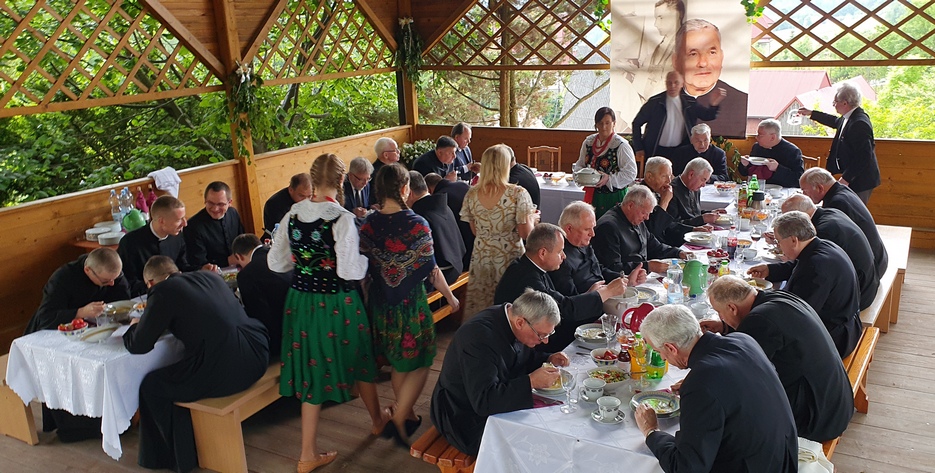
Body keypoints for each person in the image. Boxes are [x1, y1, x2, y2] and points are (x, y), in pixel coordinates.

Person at [268, 154, 388, 472]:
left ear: (311, 179)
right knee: (360, 357)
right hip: (336, 302)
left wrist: (304, 264)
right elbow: (349, 271)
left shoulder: (293, 213)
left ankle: (308, 452)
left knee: (312, 367)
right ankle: (377, 420)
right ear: (341, 180)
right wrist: (367, 261)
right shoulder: (341, 218)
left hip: (300, 301)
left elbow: (275, 263)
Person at [123, 256, 269, 473]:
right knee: (177, 371)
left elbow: (139, 345)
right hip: (257, 351)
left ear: (151, 283)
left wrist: (134, 326)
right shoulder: (209, 277)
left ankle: (174, 457)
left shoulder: (163, 291)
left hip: (229, 368)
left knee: (152, 386)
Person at [359, 163, 459, 447]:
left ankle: (407, 412)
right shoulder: (417, 224)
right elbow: (432, 270)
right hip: (411, 306)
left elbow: (365, 272)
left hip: (380, 306)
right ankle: (402, 414)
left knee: (398, 361)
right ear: (405, 189)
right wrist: (450, 298)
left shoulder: (368, 224)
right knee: (421, 360)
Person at [634, 305, 798, 472]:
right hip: (783, 457)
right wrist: (702, 384)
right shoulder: (743, 340)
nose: (662, 358)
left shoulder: (702, 383)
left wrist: (651, 432)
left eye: (659, 351)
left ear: (671, 348)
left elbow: (686, 468)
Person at [704, 276, 854, 442]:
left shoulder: (759, 320)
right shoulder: (776, 298)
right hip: (836, 401)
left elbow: (738, 371)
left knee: (734, 411)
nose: (720, 317)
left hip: (817, 418)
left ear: (732, 308)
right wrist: (724, 327)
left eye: (719, 313)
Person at [431, 289, 568, 456]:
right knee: (541, 445)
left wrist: (548, 358)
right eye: (541, 335)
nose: (545, 341)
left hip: (490, 403)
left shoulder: (512, 318)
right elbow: (484, 401)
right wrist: (531, 382)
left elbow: (521, 358)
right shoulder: (478, 338)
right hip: (463, 417)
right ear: (520, 323)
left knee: (558, 426)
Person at [24, 248, 129, 442]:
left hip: (94, 332)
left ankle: (114, 417)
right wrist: (80, 312)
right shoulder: (63, 278)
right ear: (88, 271)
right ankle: (77, 427)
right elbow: (46, 317)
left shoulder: (112, 274)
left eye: (115, 278)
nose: (112, 284)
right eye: (106, 281)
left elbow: (122, 297)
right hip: (56, 334)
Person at [494, 223, 626, 351]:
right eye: (560, 251)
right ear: (543, 253)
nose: (564, 256)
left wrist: (590, 294)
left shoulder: (532, 267)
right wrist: (607, 291)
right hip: (524, 347)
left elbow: (560, 302)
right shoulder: (527, 278)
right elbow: (562, 310)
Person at [747, 211, 862, 357]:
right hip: (844, 325)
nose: (779, 246)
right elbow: (798, 265)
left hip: (835, 339)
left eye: (779, 241)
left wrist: (756, 299)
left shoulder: (816, 268)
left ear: (793, 240)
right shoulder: (822, 246)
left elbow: (795, 314)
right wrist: (770, 270)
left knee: (759, 347)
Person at [461, 144, 538, 318]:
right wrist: (532, 219)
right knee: (511, 307)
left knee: (483, 305)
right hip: (508, 256)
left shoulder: (472, 193)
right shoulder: (517, 193)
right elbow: (526, 234)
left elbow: (475, 230)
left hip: (481, 256)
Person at [781, 194, 879, 311]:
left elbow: (802, 308)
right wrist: (771, 270)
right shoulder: (828, 214)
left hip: (860, 295)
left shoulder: (825, 233)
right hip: (867, 281)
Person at [798, 82, 880, 203]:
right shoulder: (849, 116)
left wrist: (846, 178)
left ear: (845, 103)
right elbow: (835, 121)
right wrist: (812, 113)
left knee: (853, 209)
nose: (833, 105)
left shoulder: (859, 123)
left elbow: (864, 156)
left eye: (835, 102)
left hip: (860, 179)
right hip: (852, 175)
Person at [800, 167, 888, 278]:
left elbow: (827, 244)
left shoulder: (837, 203)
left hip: (872, 268)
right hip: (879, 257)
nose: (804, 195)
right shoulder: (841, 190)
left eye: (804, 191)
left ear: (819, 188)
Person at [549, 201, 646, 296]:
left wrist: (625, 279)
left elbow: (598, 269)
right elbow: (568, 301)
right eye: (587, 229)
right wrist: (591, 295)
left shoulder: (583, 243)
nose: (593, 234)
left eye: (593, 228)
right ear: (569, 229)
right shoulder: (559, 257)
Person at [673, 19, 748, 137]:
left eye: (712, 53)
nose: (703, 63)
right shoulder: (666, 100)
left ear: (721, 57)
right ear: (676, 61)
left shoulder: (741, 101)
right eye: (693, 54)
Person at [118, 195, 205, 296]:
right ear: (161, 221)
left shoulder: (177, 236)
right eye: (179, 220)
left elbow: (182, 267)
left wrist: (201, 270)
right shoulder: (130, 243)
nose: (185, 224)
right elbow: (128, 283)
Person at [593, 185, 687, 275]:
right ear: (630, 206)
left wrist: (678, 252)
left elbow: (655, 246)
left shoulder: (635, 218)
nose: (647, 218)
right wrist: (647, 266)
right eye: (644, 213)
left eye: (649, 213)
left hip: (641, 277)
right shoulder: (608, 227)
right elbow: (612, 268)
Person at [632, 71, 720, 161]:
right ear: (666, 83)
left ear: (682, 84)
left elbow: (707, 115)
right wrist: (639, 147)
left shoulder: (690, 102)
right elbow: (636, 123)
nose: (672, 86)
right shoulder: (654, 102)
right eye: (669, 83)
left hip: (681, 151)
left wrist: (714, 104)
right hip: (655, 150)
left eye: (676, 82)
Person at [574, 107, 638, 218]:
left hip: (614, 197)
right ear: (596, 124)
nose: (604, 127)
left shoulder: (621, 145)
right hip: (593, 196)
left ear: (614, 123)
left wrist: (609, 179)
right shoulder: (588, 142)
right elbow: (580, 164)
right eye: (600, 123)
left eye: (607, 123)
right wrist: (580, 175)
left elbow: (631, 173)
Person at [231, 233, 290, 352]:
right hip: (299, 319)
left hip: (280, 336)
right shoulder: (280, 255)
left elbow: (256, 313)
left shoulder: (247, 274)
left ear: (239, 256)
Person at [407, 171, 466, 285]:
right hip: (457, 266)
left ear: (409, 193)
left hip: (442, 275)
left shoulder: (420, 216)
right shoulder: (442, 205)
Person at [642, 157, 710, 247]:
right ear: (649, 176)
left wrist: (692, 229)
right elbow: (655, 232)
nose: (669, 181)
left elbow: (668, 224)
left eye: (670, 176)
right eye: (664, 176)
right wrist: (665, 201)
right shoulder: (642, 195)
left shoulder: (659, 191)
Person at [183, 181, 246, 268]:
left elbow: (242, 241)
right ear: (205, 200)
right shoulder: (193, 226)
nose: (215, 209)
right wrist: (228, 261)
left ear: (229, 202)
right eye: (210, 203)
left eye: (220, 204)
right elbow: (198, 263)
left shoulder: (233, 213)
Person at [427, 172, 474, 270]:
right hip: (475, 234)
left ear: (429, 189)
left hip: (464, 247)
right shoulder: (462, 185)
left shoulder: (440, 198)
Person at [738, 119, 804, 188]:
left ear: (772, 137)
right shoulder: (757, 147)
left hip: (781, 190)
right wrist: (744, 165)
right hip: (757, 188)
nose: (756, 137)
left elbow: (798, 180)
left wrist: (777, 168)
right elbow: (744, 173)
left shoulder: (792, 151)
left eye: (760, 135)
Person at [666, 157, 720, 226]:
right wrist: (702, 219)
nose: (704, 185)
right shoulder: (671, 191)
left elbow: (694, 214)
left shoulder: (695, 188)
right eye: (703, 180)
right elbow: (673, 225)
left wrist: (711, 213)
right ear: (691, 174)